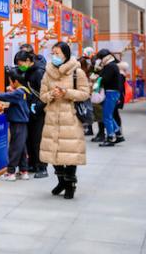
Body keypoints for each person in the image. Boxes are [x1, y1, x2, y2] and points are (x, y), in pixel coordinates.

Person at [40, 42, 90, 200]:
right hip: (52, 118)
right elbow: (42, 95)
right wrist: (51, 95)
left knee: (70, 152)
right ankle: (61, 181)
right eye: (53, 53)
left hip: (71, 117)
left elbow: (84, 93)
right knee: (53, 152)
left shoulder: (77, 72)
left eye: (58, 53)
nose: (54, 56)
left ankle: (70, 185)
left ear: (66, 54)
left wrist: (66, 92)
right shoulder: (47, 72)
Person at [0, 68, 30, 181]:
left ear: (16, 82)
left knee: (14, 147)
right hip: (21, 123)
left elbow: (5, 97)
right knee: (21, 147)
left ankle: (10, 172)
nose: (9, 84)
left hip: (18, 123)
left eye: (10, 81)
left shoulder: (19, 92)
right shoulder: (23, 91)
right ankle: (24, 170)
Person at [15, 49, 48, 178]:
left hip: (38, 111)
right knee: (30, 139)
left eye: (20, 63)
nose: (19, 66)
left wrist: (37, 107)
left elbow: (43, 93)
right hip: (30, 110)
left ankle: (42, 167)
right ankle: (33, 164)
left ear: (28, 61)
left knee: (37, 140)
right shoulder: (28, 71)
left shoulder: (39, 72)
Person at [94, 49, 124, 146]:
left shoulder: (110, 66)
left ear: (104, 57)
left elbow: (105, 79)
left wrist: (97, 78)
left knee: (106, 116)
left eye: (100, 58)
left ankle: (111, 138)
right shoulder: (111, 65)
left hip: (111, 92)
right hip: (113, 92)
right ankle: (118, 134)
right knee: (109, 115)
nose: (99, 61)